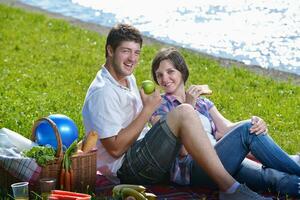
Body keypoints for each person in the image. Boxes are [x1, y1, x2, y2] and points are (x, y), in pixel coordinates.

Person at [82, 23, 272, 200]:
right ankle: (231, 189)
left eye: (136, 52)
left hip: (144, 151)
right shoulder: (103, 92)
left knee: (254, 168)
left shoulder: (126, 77)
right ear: (110, 50)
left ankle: (282, 168)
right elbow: (115, 149)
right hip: (127, 168)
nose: (132, 59)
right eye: (126, 51)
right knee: (184, 112)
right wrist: (148, 110)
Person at [150, 47, 300, 198]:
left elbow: (226, 128)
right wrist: (188, 106)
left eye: (170, 71)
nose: (164, 78)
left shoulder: (202, 102)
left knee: (275, 178)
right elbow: (182, 151)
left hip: (222, 159)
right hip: (194, 169)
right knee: (246, 130)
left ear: (181, 71)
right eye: (159, 75)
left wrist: (255, 122)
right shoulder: (159, 106)